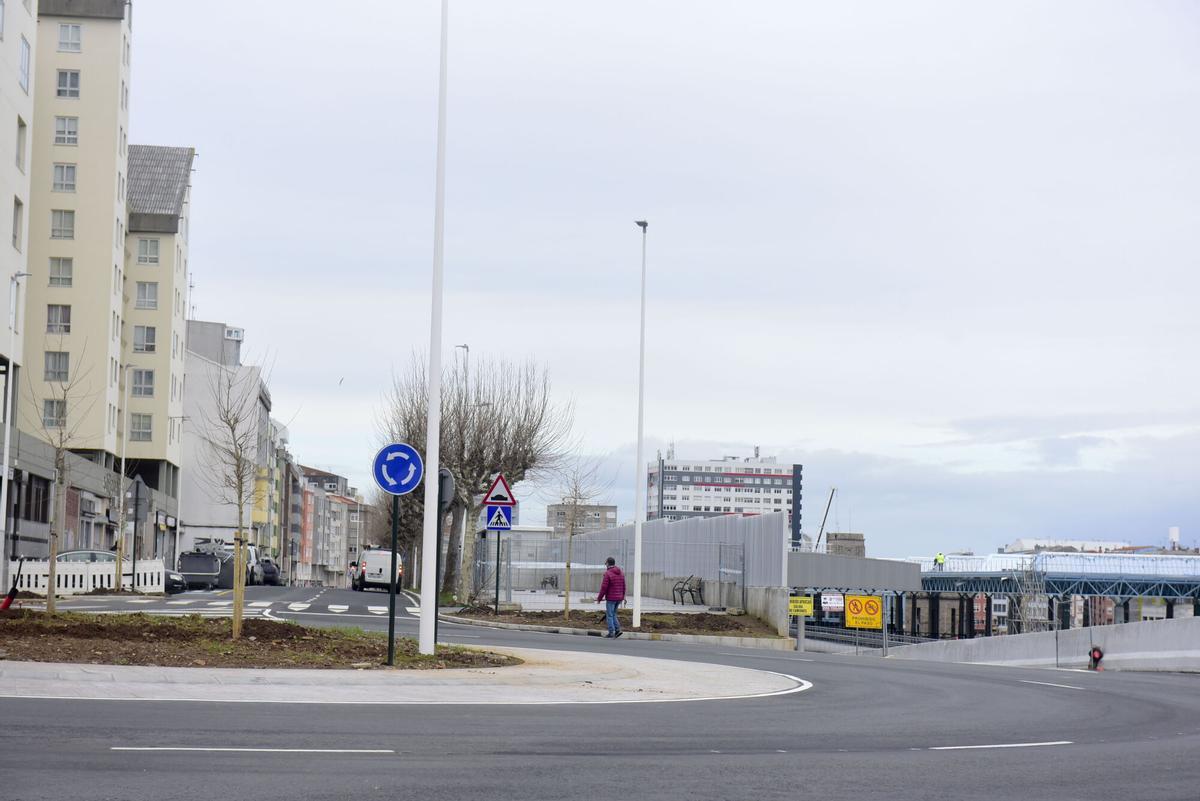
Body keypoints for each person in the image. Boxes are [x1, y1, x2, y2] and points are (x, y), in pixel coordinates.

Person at [596, 556, 626, 638]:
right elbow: (624, 586)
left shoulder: (608, 573)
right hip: (619, 598)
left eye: (605, 563)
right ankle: (617, 630)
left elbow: (604, 587)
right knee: (613, 614)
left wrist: (599, 598)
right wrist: (622, 596)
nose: (605, 564)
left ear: (608, 563)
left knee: (609, 615)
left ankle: (611, 632)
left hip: (611, 598)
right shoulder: (621, 573)